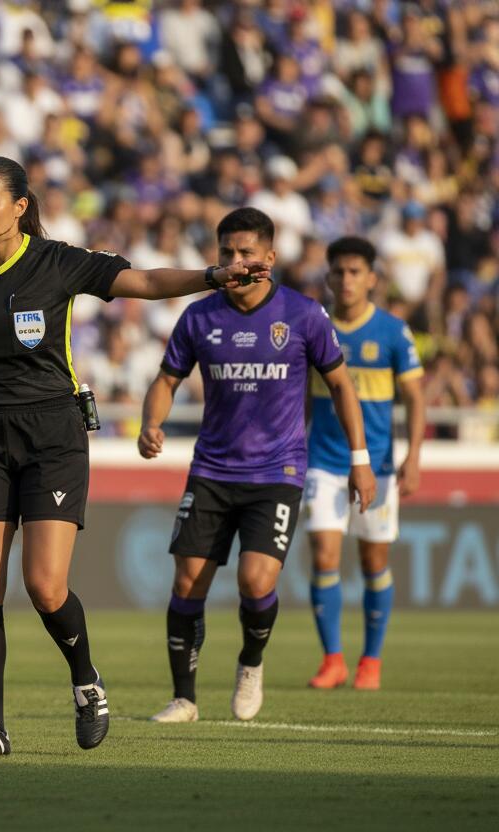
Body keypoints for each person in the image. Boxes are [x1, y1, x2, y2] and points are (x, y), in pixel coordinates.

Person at [0, 156, 272, 758]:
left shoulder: (58, 262)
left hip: (52, 435)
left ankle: (86, 681)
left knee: (45, 587)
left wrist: (212, 276)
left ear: (21, 206)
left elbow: (147, 282)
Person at [138, 207, 377, 725]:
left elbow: (341, 385)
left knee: (254, 580)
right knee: (186, 583)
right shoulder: (199, 316)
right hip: (212, 471)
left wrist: (361, 459)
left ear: (269, 257)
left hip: (278, 472)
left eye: (246, 252)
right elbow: (166, 380)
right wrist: (150, 423)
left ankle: (250, 663)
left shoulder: (304, 314)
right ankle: (184, 698)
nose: (236, 261)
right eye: (227, 252)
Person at [305, 236, 424, 691]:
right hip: (323, 460)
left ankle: (370, 661)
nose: (346, 279)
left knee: (373, 560)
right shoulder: (315, 327)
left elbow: (415, 397)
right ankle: (332, 659)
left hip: (378, 465)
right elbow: (302, 398)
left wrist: (414, 455)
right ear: (329, 277)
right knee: (324, 554)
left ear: (372, 278)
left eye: (356, 271)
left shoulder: (394, 332)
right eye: (338, 271)